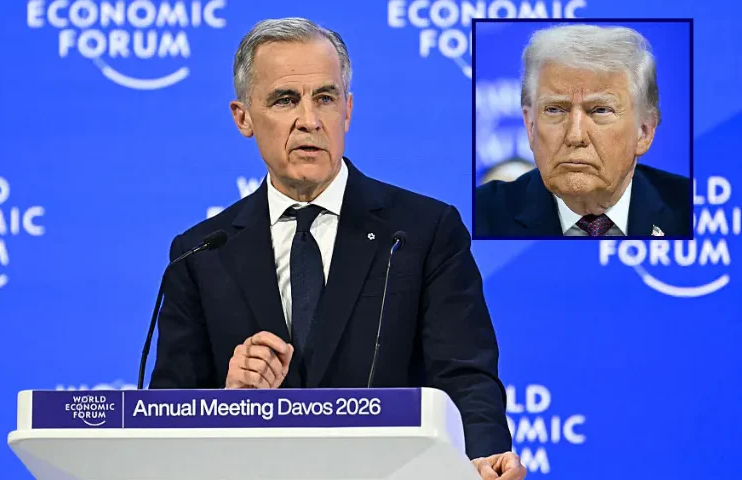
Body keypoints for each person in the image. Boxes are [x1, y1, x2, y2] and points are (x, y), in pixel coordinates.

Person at [150, 17, 525, 479]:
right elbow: (166, 416)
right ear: (243, 116)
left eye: (325, 98)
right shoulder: (201, 253)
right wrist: (228, 400)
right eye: (285, 100)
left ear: (347, 110)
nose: (309, 120)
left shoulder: (423, 232)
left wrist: (483, 457)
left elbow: (465, 379)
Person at [475, 24, 691, 238]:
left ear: (644, 131)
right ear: (530, 126)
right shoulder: (480, 216)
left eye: (600, 110)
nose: (575, 136)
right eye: (554, 110)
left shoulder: (691, 210)